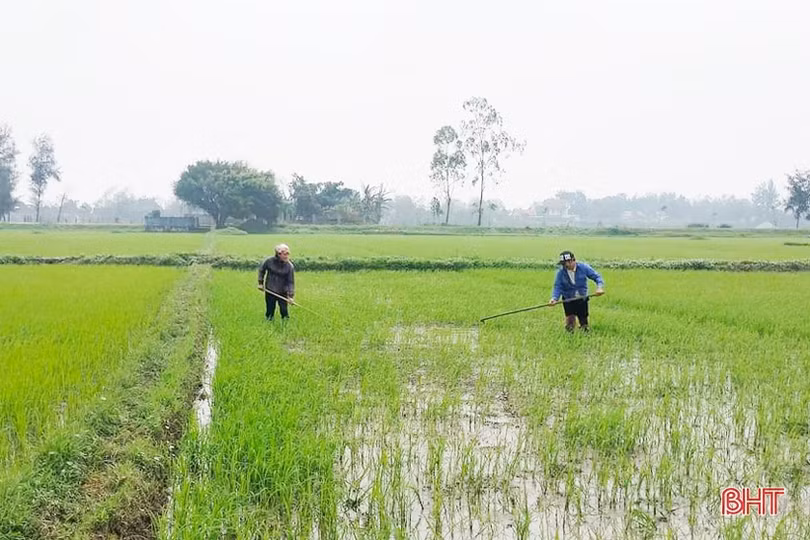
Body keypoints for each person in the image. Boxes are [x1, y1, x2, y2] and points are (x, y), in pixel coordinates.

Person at [549, 250, 604, 332]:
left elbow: (597, 277)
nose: (565, 266)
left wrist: (599, 287)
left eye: (566, 263)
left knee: (583, 320)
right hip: (568, 299)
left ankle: (584, 332)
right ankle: (570, 336)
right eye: (563, 264)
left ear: (573, 260)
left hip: (582, 298)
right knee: (570, 321)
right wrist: (554, 298)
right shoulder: (561, 272)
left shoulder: (584, 268)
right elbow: (558, 286)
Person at [258, 243, 295, 321]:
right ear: (279, 254)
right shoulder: (269, 261)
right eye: (285, 254)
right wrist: (260, 283)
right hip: (270, 290)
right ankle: (269, 322)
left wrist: (291, 296)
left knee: (284, 311)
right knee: (270, 310)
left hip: (283, 292)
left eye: (288, 254)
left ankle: (285, 324)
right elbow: (261, 270)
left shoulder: (289, 266)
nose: (287, 256)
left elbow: (290, 282)